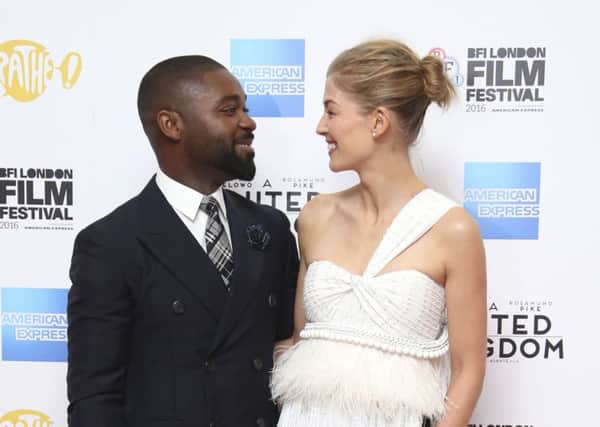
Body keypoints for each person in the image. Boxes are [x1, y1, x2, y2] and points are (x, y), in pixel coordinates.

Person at [67, 55, 299, 427]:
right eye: (229, 110)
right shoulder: (111, 243)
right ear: (172, 124)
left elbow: (294, 352)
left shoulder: (271, 229)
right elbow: (95, 397)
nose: (249, 122)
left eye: (245, 108)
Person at [271, 40, 487, 427]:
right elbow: (299, 341)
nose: (321, 127)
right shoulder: (315, 217)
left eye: (331, 111)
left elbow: (468, 372)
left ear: (378, 122)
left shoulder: (452, 229)